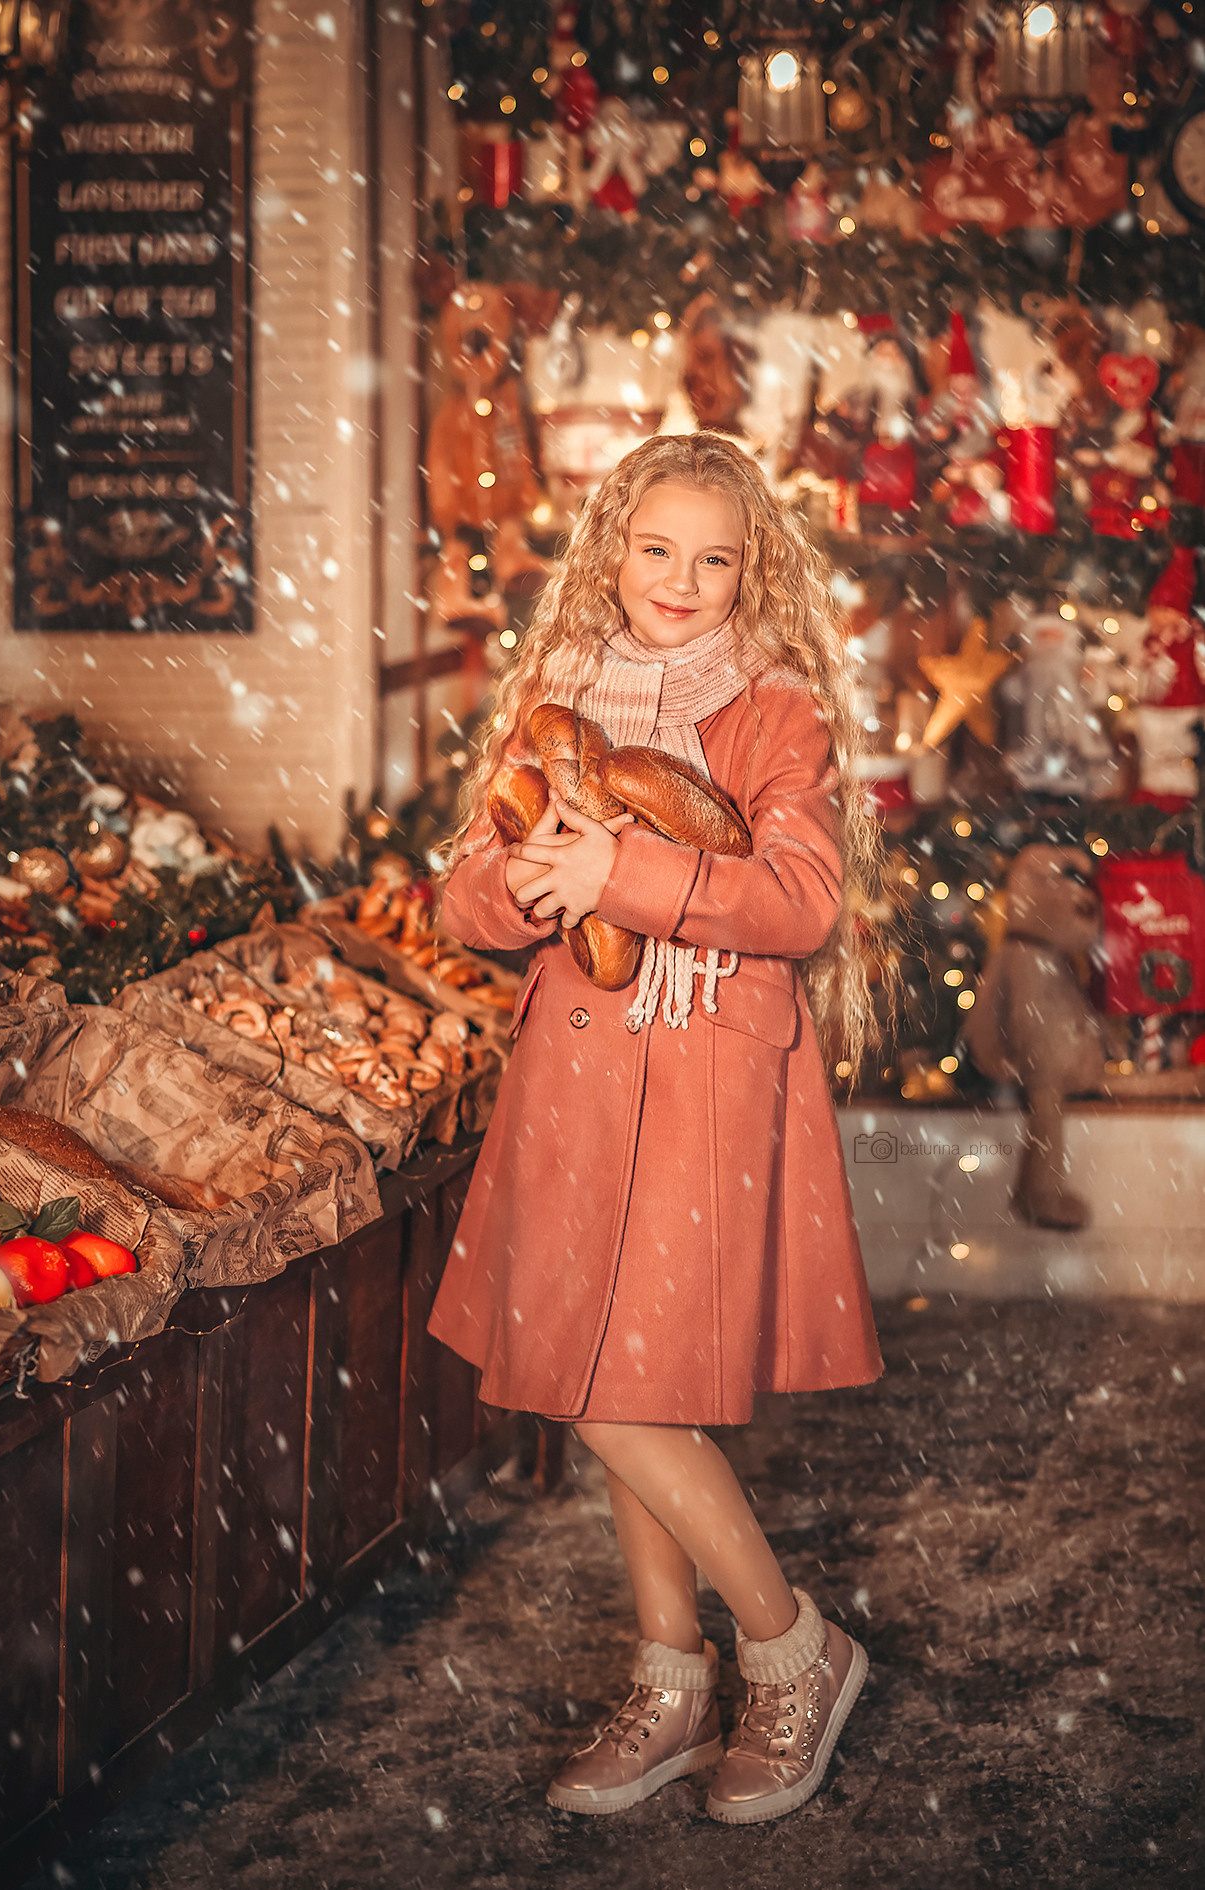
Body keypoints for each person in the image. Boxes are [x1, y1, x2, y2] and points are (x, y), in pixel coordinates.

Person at [428, 430, 885, 1824]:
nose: (678, 582)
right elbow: (464, 897)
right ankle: (674, 1677)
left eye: (713, 558)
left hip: (701, 1084)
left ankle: (794, 1649)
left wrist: (621, 865)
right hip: (576, 1079)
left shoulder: (770, 708)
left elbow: (800, 900)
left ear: (752, 572)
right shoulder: (557, 701)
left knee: (621, 1387)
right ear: (609, 551)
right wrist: (535, 874)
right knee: (610, 1375)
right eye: (654, 550)